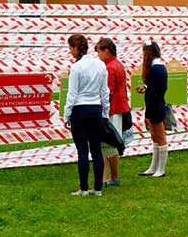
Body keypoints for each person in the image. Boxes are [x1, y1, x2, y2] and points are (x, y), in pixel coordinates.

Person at [63, 34, 109, 197]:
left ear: (76, 48)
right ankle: (97, 188)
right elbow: (105, 91)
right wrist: (105, 112)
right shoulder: (100, 65)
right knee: (96, 150)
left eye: (70, 48)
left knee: (82, 150)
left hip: (80, 110)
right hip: (95, 109)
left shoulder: (76, 67)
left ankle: (83, 188)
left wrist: (66, 114)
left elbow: (72, 93)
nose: (70, 51)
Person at [96, 38, 132, 189]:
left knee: (105, 144)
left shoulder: (109, 67)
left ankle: (104, 178)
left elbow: (107, 92)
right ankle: (114, 176)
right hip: (120, 107)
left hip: (112, 109)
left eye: (99, 52)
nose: (98, 55)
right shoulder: (118, 64)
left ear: (107, 51)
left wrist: (100, 108)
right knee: (114, 143)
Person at [139, 42, 170, 177]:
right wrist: (146, 90)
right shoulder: (157, 67)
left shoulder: (157, 68)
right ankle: (153, 167)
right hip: (155, 104)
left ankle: (161, 169)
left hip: (155, 106)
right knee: (155, 137)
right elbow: (155, 89)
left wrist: (148, 113)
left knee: (160, 136)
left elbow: (156, 92)